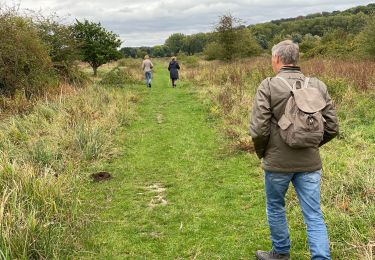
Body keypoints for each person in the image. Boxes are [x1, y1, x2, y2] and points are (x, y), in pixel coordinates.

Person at [249, 40, 339, 260]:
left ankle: (280, 254)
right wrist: (312, 145)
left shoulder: (268, 85)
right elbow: (332, 126)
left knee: (276, 207)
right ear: (295, 59)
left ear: (277, 59)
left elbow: (258, 129)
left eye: (272, 58)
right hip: (310, 163)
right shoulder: (317, 85)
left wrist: (264, 153)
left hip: (277, 163)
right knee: (313, 215)